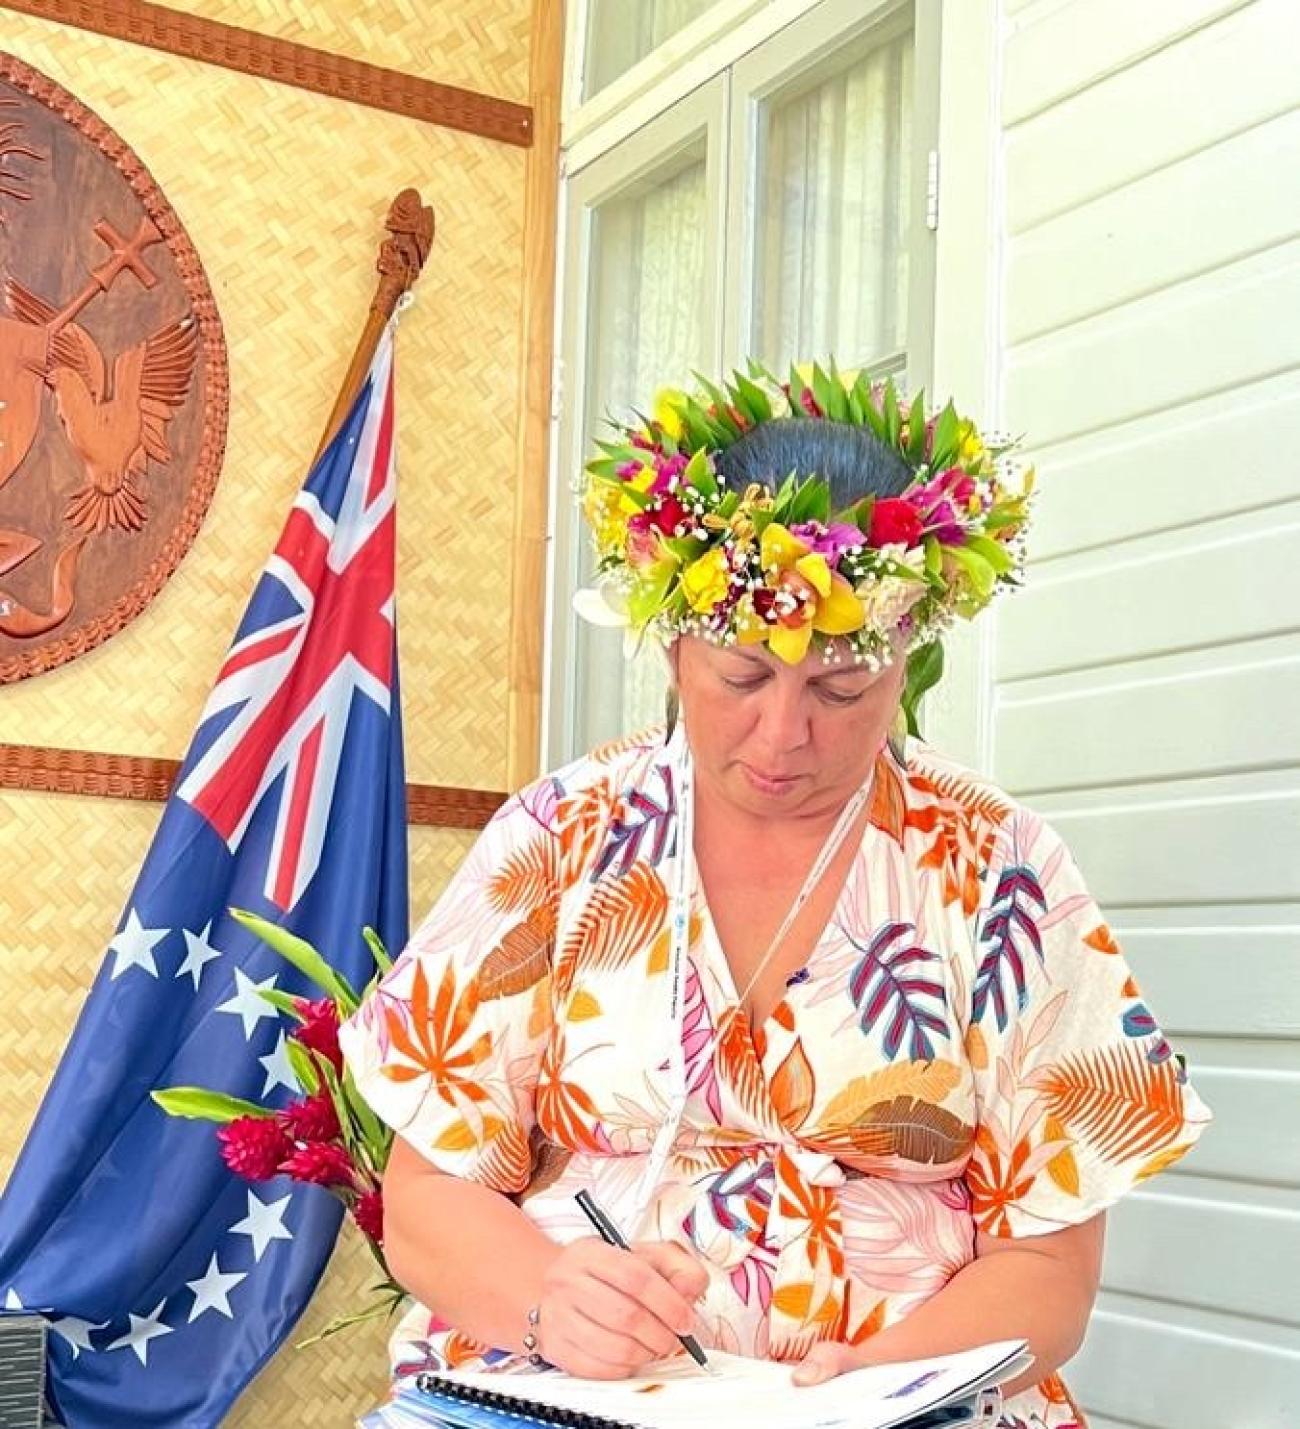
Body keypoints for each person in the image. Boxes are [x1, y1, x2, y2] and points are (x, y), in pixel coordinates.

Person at [340, 364, 1211, 1429]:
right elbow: (428, 1203)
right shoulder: (561, 839)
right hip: (569, 1392)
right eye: (742, 677)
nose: (783, 734)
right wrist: (548, 1304)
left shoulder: (999, 868)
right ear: (669, 643)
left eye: (841, 689)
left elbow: (1049, 1270)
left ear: (907, 660)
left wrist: (869, 1387)